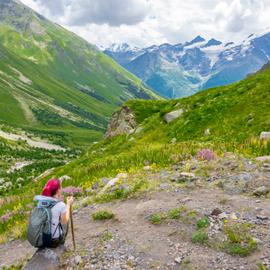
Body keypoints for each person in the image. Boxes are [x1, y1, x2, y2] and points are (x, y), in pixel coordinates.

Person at [34, 178, 74, 248]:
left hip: (41, 238)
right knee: (65, 220)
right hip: (53, 241)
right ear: (58, 190)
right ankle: (61, 243)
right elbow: (64, 221)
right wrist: (68, 204)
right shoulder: (61, 205)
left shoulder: (40, 203)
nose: (61, 189)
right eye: (61, 187)